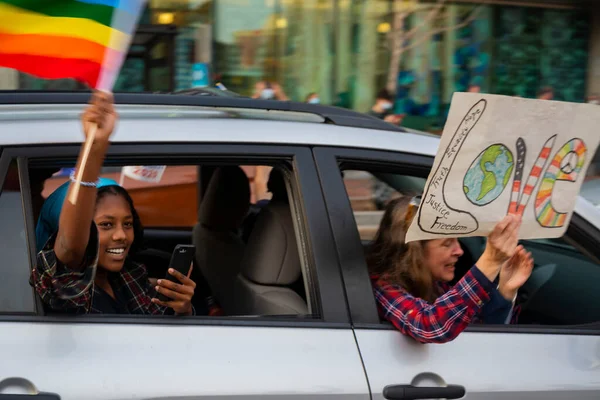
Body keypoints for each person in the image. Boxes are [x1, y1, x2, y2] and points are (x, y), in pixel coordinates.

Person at [31, 91, 196, 315]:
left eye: (127, 224)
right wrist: (95, 147)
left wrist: (183, 310)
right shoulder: (66, 286)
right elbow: (71, 247)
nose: (122, 236)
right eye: (106, 225)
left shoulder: (131, 278)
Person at [367, 196, 533, 344]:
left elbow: (480, 336)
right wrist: (490, 261)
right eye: (447, 243)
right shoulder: (383, 288)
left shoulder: (437, 287)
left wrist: (505, 292)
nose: (459, 251)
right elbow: (430, 326)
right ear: (414, 251)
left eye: (457, 240)